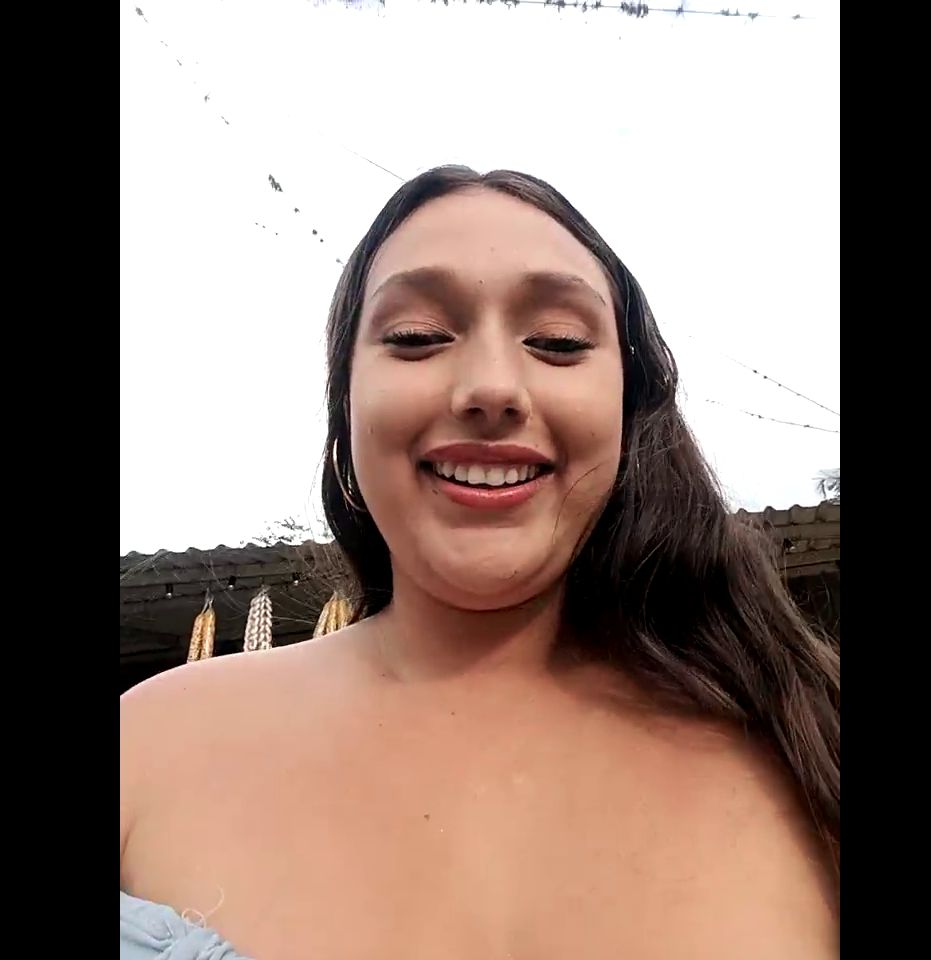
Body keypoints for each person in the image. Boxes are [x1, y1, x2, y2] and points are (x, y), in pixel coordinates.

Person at [120, 165, 839, 959]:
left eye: (558, 342)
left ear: (628, 406)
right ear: (346, 403)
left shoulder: (811, 734)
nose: (492, 388)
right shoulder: (144, 747)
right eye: (416, 337)